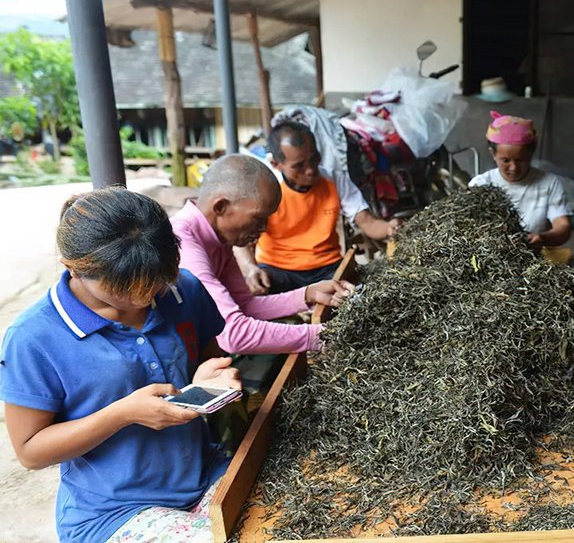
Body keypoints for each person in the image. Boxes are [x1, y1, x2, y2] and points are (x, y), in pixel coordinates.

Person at [1, 187, 242, 542]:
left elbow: (208, 361)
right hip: (114, 510)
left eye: (154, 282)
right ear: (75, 268)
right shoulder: (34, 337)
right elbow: (31, 451)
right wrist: (122, 414)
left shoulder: (180, 290)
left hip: (204, 472)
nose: (145, 297)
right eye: (126, 289)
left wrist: (210, 381)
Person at [172, 154, 355, 355]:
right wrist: (329, 334)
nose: (264, 228)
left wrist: (307, 294)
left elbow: (245, 305)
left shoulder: (219, 238)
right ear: (220, 207)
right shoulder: (182, 242)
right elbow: (233, 333)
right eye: (259, 218)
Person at [235, 121, 400, 295]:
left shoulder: (335, 180)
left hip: (327, 269)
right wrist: (249, 269)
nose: (310, 170)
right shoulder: (265, 188)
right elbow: (239, 240)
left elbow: (367, 222)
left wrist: (389, 228)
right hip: (278, 270)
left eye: (314, 159)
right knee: (252, 291)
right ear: (277, 164)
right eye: (299, 166)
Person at [468, 111, 572, 247]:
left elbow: (563, 226)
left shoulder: (549, 183)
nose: (514, 168)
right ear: (493, 154)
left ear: (531, 153)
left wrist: (543, 238)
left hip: (534, 253)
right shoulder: (480, 184)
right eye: (505, 160)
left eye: (521, 160)